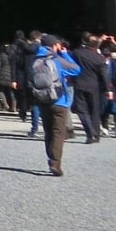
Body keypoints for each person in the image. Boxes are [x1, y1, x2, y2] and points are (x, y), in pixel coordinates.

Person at [28, 34, 83, 177]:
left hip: (42, 99)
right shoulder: (57, 60)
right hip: (60, 100)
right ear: (54, 45)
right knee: (59, 132)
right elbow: (76, 69)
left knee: (48, 131)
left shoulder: (35, 60)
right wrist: (64, 54)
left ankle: (50, 157)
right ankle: (55, 162)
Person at [71, 33, 109, 144]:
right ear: (97, 46)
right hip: (94, 86)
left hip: (79, 84)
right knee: (94, 112)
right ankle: (96, 134)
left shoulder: (77, 53)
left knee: (82, 111)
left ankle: (89, 133)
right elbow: (104, 75)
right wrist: (108, 89)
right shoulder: (100, 58)